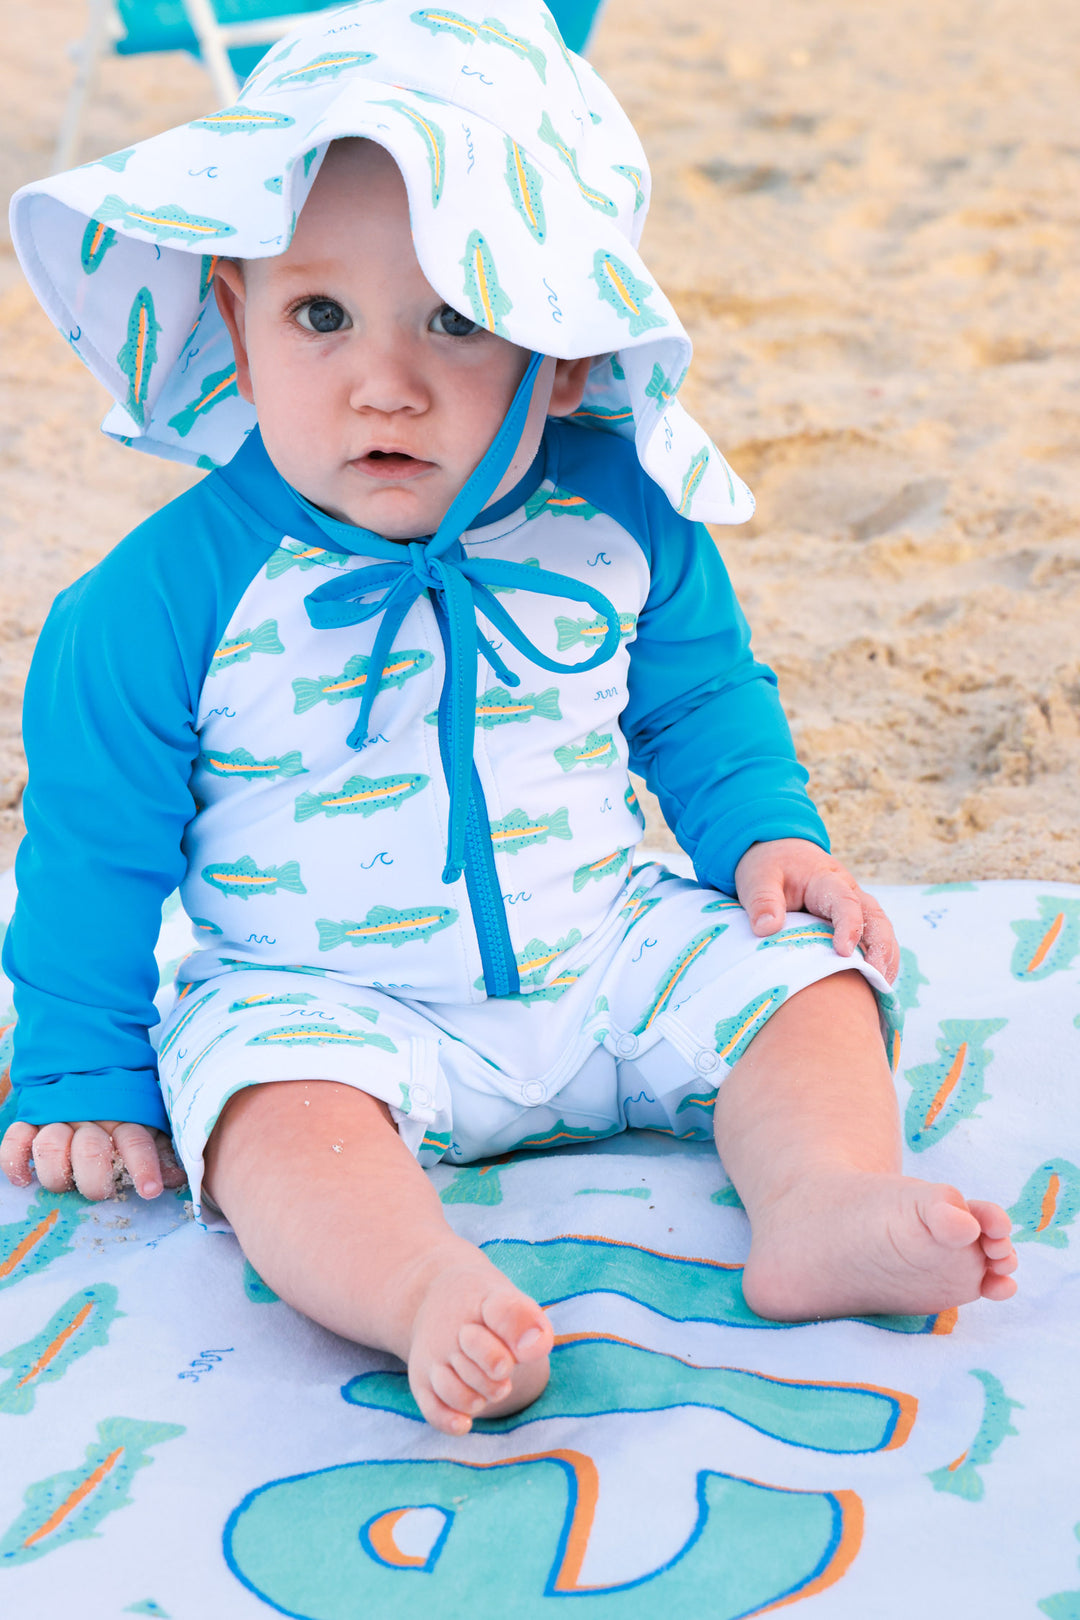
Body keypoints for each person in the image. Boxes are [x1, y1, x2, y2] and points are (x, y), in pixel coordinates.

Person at [0, 0, 1016, 1436]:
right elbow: (94, 843)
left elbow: (703, 702)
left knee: (808, 978)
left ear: (569, 352)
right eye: (320, 314)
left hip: (604, 945)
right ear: (233, 311)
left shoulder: (618, 520)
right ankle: (420, 1288)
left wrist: (767, 834)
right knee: (268, 1117)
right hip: (331, 997)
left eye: (459, 318)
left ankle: (824, 1199)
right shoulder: (167, 594)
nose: (385, 379)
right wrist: (81, 1064)